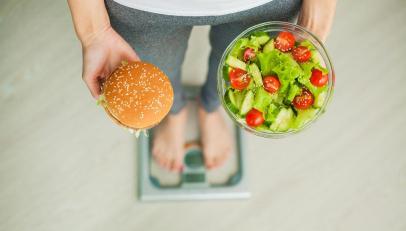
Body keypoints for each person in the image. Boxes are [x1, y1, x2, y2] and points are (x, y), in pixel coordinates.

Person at [68, 0, 336, 172]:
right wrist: (94, 30)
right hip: (141, 7)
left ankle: (210, 106)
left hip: (265, 3)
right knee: (157, 70)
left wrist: (318, 14)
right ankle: (174, 112)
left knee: (237, 73)